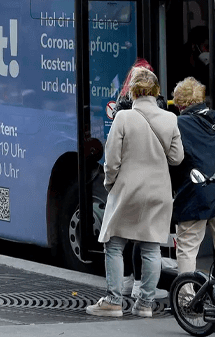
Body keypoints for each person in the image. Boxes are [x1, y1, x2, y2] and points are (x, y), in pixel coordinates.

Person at [87, 67, 183, 318]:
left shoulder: (123, 118)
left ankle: (114, 301)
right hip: (159, 192)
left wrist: (110, 184)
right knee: (151, 248)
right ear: (156, 91)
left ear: (132, 92)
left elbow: (111, 160)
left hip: (128, 189)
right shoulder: (170, 118)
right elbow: (177, 157)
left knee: (115, 244)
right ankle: (145, 305)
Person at [171, 77, 215, 278]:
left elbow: (174, 160)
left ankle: (185, 299)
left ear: (180, 103)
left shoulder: (178, 124)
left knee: (187, 246)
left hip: (195, 192)